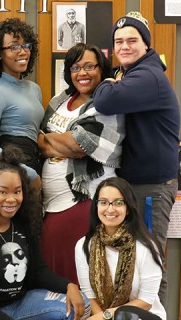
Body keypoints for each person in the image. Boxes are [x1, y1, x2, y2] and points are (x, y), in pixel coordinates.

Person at [92, 11, 180, 304]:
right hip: (138, 187)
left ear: (146, 45)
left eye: (132, 40)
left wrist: (107, 80)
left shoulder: (147, 75)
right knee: (135, 265)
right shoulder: (135, 74)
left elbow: (104, 101)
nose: (124, 46)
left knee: (151, 265)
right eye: (119, 42)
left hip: (151, 189)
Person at [0, 145, 88, 320]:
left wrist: (69, 285)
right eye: (3, 192)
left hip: (22, 303)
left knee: (81, 303)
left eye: (17, 192)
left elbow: (39, 272)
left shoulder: (24, 225)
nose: (11, 199)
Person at [39, 43, 125, 284]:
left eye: (89, 66)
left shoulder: (107, 103)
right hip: (50, 208)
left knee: (83, 281)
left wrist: (49, 141)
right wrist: (60, 141)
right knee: (58, 282)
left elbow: (80, 147)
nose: (82, 73)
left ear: (101, 69)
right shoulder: (60, 100)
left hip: (84, 203)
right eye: (76, 67)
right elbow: (36, 141)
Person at [75, 177, 166, 320]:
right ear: (96, 206)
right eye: (104, 202)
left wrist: (106, 316)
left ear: (128, 208)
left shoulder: (146, 246)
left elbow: (146, 302)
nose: (110, 209)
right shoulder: (83, 245)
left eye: (118, 203)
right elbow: (89, 295)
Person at [0, 18, 43, 173]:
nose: (23, 51)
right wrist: (28, 173)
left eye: (26, 45)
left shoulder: (34, 89)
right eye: (14, 47)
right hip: (12, 171)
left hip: (35, 163)